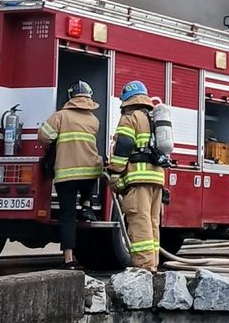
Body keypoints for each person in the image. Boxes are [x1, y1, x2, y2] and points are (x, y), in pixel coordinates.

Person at [38, 80, 103, 270]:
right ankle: (87, 205)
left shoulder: (60, 116)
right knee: (88, 183)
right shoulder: (94, 120)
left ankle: (69, 259)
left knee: (67, 216)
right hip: (89, 172)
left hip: (66, 175)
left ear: (70, 97)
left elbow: (44, 136)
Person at [107, 80, 165, 271]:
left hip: (138, 180)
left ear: (126, 100)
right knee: (152, 223)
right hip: (156, 178)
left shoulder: (130, 118)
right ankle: (153, 265)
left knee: (140, 223)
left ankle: (144, 268)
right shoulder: (153, 117)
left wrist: (114, 171)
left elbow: (123, 145)